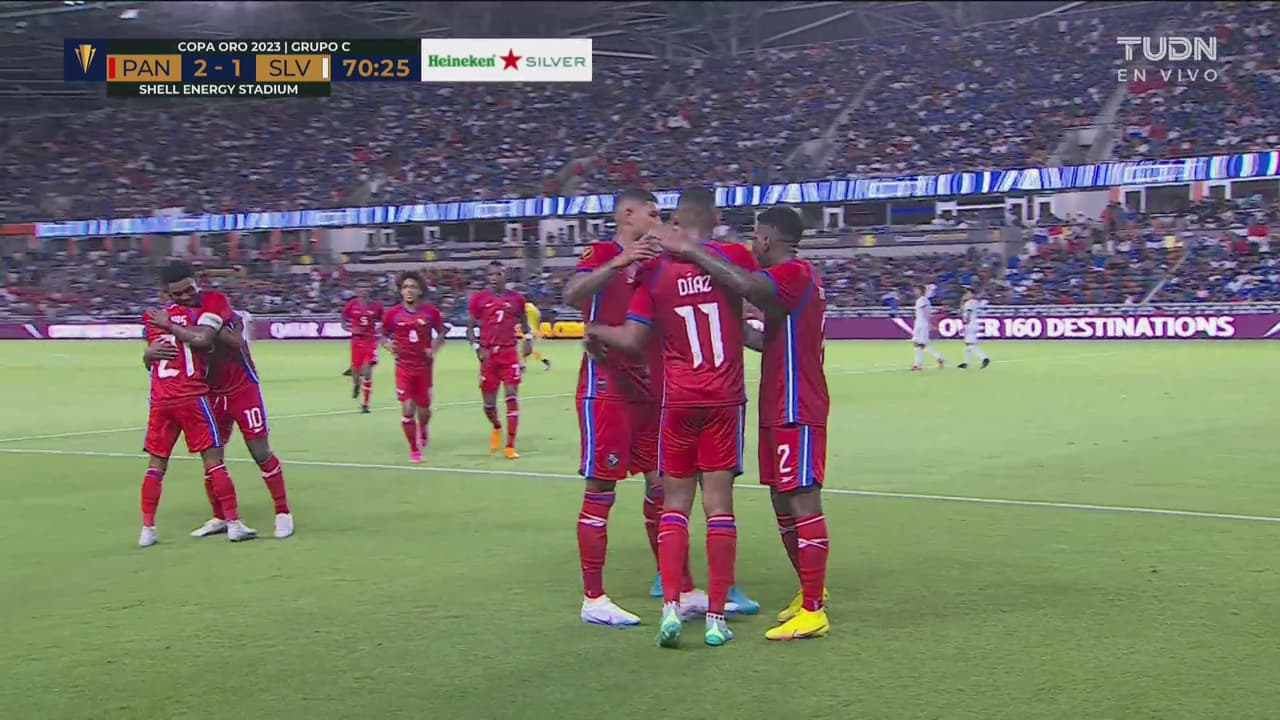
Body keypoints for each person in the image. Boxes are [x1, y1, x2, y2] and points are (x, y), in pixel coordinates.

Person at [586, 186, 755, 648]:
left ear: (676, 221)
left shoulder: (656, 271)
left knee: (674, 505)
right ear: (715, 218)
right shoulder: (732, 257)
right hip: (724, 399)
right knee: (719, 507)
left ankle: (671, 608)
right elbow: (755, 296)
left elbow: (633, 340)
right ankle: (716, 616)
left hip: (677, 399)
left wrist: (595, 329)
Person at [656, 206, 831, 641]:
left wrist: (691, 251)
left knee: (802, 499)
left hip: (797, 404)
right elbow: (763, 339)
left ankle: (815, 609)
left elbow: (746, 284)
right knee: (783, 500)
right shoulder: (793, 282)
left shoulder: (794, 273)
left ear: (767, 239)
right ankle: (809, 591)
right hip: (778, 404)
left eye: (755, 237)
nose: (752, 245)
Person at [138, 261, 256, 547]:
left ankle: (147, 530)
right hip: (191, 397)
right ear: (168, 293)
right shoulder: (195, 316)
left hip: (160, 399)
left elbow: (153, 358)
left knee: (156, 466)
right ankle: (233, 523)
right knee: (214, 461)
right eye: (177, 293)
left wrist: (148, 354)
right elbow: (203, 339)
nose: (184, 296)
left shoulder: (151, 319)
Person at [183, 309, 295, 539]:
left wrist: (211, 329)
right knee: (211, 457)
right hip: (212, 393)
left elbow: (238, 343)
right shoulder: (185, 319)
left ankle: (282, 512)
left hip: (243, 391)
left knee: (260, 452)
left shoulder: (231, 316)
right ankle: (220, 516)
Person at [467, 261, 530, 459]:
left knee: (511, 395)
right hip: (488, 355)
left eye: (498, 274)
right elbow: (470, 328)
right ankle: (496, 425)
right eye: (490, 275)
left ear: (505, 275)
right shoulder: (479, 299)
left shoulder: (517, 299)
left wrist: (528, 340)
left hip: (509, 352)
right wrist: (477, 347)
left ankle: (510, 446)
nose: (493, 278)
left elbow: (524, 324)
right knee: (489, 404)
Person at [383, 272, 446, 463]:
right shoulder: (393, 314)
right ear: (400, 291)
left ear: (420, 291)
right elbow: (382, 335)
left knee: (424, 409)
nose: (408, 290)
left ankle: (423, 427)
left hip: (424, 367)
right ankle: (414, 450)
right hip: (403, 367)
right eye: (405, 287)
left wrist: (433, 348)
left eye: (412, 287)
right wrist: (388, 345)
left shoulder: (430, 312)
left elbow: (441, 333)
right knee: (408, 408)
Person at [342, 288, 384, 413]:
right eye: (361, 290)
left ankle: (365, 404)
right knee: (356, 371)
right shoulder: (351, 304)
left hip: (370, 341)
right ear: (358, 292)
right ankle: (356, 385)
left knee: (367, 371)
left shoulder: (376, 306)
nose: (364, 292)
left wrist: (380, 331)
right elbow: (344, 317)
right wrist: (347, 328)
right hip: (356, 341)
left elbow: (383, 320)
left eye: (366, 289)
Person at [911, 284, 946, 371]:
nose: (915, 291)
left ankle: (918, 364)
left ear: (920, 291)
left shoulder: (923, 300)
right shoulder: (920, 300)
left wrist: (929, 323)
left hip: (922, 324)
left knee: (921, 344)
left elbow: (926, 312)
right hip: (918, 323)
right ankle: (938, 358)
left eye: (916, 290)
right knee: (917, 343)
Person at [957, 287, 991, 369]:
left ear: (972, 294)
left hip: (970, 324)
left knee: (970, 345)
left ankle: (984, 358)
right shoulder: (974, 302)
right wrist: (962, 301)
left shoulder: (970, 303)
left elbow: (967, 314)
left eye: (968, 293)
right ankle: (966, 362)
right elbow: (962, 311)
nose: (966, 294)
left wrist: (965, 326)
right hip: (974, 324)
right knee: (968, 344)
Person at [523, 300, 551, 371]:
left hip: (529, 332)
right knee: (528, 351)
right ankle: (523, 366)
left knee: (525, 350)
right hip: (533, 331)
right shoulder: (536, 311)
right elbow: (537, 322)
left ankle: (523, 366)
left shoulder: (527, 308)